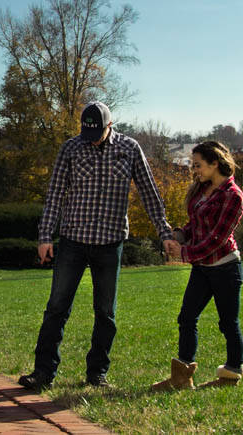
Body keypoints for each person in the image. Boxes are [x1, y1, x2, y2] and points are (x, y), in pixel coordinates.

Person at [18, 101, 179, 391]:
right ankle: (43, 372)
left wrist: (164, 232)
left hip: (109, 241)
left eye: (96, 133)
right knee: (57, 308)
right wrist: (45, 237)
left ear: (110, 126)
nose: (89, 139)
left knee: (105, 312)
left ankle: (97, 374)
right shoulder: (71, 148)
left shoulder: (129, 149)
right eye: (85, 133)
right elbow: (54, 193)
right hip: (72, 240)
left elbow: (149, 192)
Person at [150, 140, 243, 391]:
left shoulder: (233, 196)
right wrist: (179, 236)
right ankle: (181, 378)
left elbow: (216, 239)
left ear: (215, 163)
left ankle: (231, 375)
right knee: (186, 317)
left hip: (225, 267)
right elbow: (196, 226)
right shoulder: (202, 191)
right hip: (202, 268)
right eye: (194, 165)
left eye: (199, 165)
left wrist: (184, 253)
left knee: (228, 323)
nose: (195, 170)